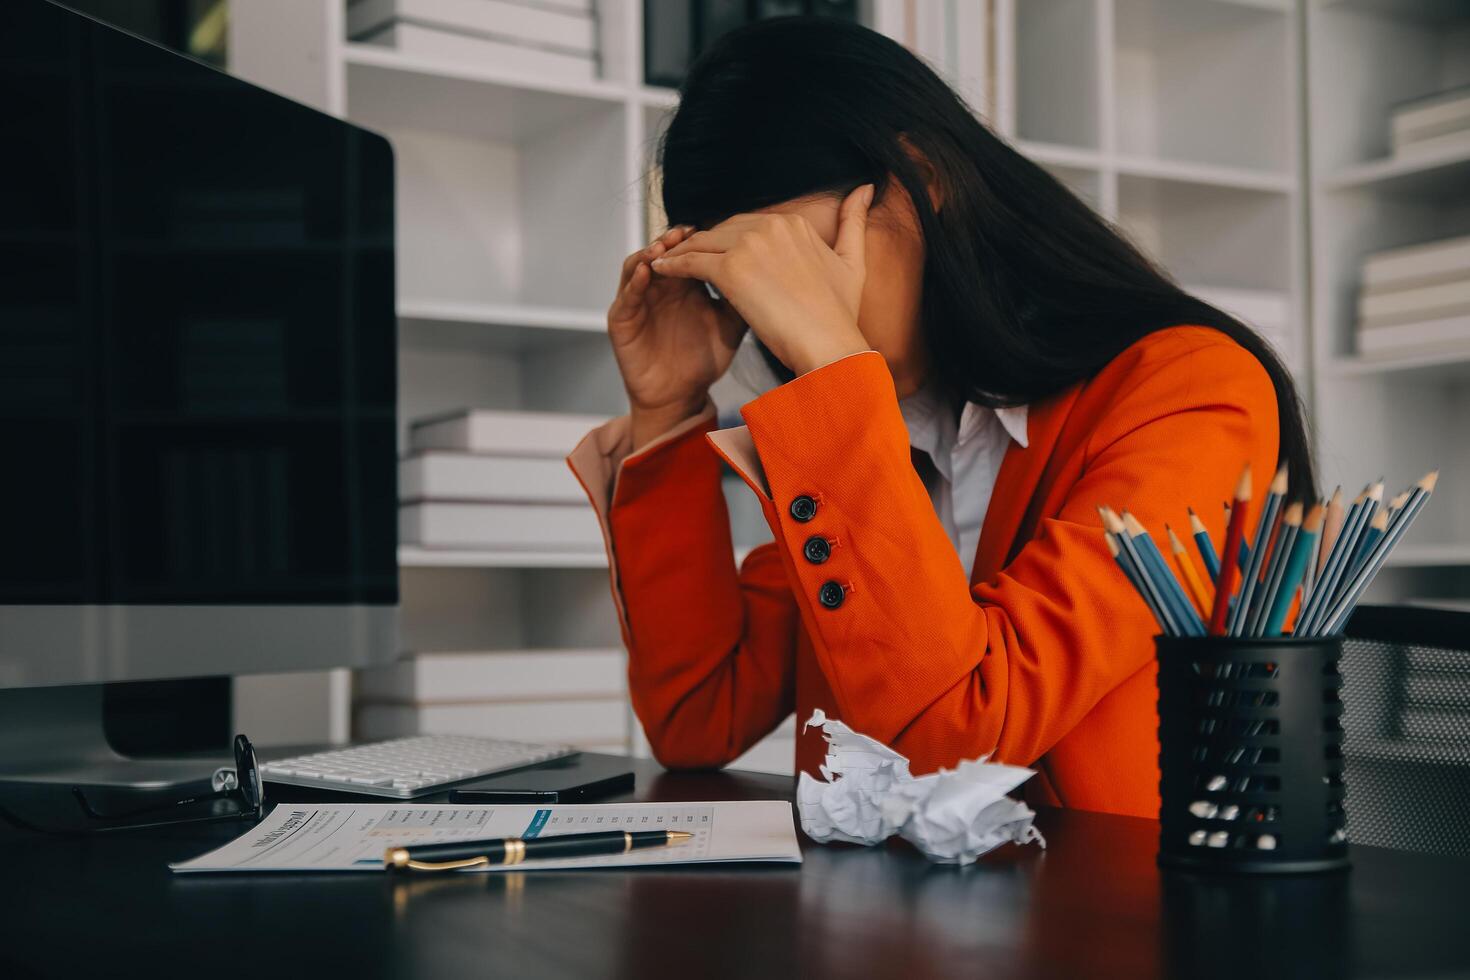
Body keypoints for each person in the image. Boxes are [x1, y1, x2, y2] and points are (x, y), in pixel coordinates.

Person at [567, 17, 1314, 818]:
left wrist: (832, 375)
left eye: (797, 263)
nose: (783, 309)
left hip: (1114, 927)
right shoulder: (858, 427)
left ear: (920, 177)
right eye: (749, 285)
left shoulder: (1188, 391)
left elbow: (962, 732)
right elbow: (697, 718)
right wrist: (670, 410)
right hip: (878, 921)